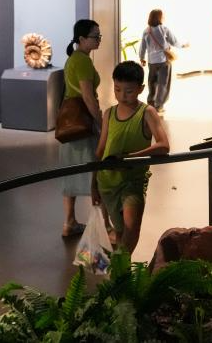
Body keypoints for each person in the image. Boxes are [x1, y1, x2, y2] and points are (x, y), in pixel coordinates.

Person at [92, 61, 169, 252]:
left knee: (131, 228)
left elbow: (163, 145)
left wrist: (130, 158)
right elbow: (100, 151)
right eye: (117, 90)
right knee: (120, 231)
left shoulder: (147, 113)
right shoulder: (109, 114)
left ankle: (120, 266)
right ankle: (121, 268)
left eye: (129, 91)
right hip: (107, 182)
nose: (122, 96)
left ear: (140, 89)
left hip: (133, 181)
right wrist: (93, 184)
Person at [60, 19, 102, 238]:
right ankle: (105, 227)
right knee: (96, 170)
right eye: (95, 36)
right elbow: (87, 96)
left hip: (71, 121)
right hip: (83, 121)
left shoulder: (73, 59)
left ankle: (69, 221)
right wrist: (100, 121)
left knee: (71, 170)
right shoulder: (83, 61)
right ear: (82, 38)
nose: (99, 40)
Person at [138, 9, 186, 112]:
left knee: (152, 82)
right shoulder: (164, 29)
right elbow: (174, 42)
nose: (164, 17)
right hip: (164, 61)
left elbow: (142, 46)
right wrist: (182, 45)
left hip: (152, 62)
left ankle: (151, 102)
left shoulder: (146, 31)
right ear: (159, 17)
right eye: (162, 16)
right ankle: (159, 106)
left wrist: (141, 58)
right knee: (163, 84)